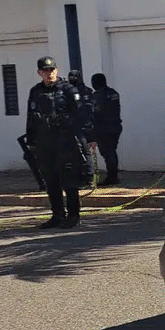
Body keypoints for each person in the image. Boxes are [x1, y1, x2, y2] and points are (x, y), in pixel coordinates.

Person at [25, 56, 94, 229]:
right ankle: (57, 215)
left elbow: (83, 114)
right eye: (46, 71)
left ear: (56, 70)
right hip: (45, 143)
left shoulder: (68, 90)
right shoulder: (35, 91)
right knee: (51, 181)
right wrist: (31, 141)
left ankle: (73, 215)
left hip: (66, 142)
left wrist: (87, 137)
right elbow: (31, 117)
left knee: (69, 181)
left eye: (52, 70)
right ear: (39, 73)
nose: (50, 74)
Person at [90, 73, 122, 185]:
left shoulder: (98, 96)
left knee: (107, 153)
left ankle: (112, 177)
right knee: (111, 152)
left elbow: (95, 113)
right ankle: (113, 175)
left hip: (103, 128)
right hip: (115, 127)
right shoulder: (113, 93)